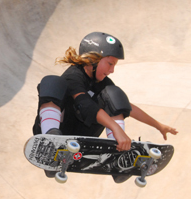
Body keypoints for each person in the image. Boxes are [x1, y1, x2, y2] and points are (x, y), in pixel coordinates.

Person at [32, 32, 178, 182]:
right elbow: (86, 105)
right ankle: (51, 141)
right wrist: (116, 128)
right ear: (92, 60)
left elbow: (127, 107)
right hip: (59, 129)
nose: (112, 70)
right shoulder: (73, 76)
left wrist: (158, 125)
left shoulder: (103, 83)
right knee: (52, 82)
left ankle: (119, 154)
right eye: (110, 64)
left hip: (84, 134)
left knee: (114, 94)